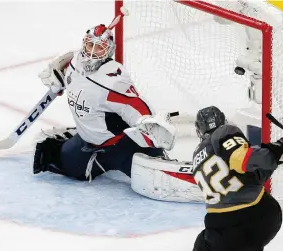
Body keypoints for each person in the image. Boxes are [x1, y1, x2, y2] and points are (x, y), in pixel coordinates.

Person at [32, 23, 177, 182]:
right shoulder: (74, 63)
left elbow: (134, 104)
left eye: (99, 48)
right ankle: (77, 134)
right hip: (87, 143)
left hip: (120, 146)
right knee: (54, 158)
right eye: (89, 45)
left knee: (155, 179)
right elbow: (66, 66)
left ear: (108, 51)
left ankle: (154, 158)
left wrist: (145, 121)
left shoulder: (112, 80)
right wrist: (58, 74)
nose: (92, 52)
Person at [191, 106, 283, 251]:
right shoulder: (224, 131)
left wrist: (274, 155)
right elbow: (243, 161)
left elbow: (243, 166)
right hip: (252, 216)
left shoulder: (197, 155)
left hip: (241, 219)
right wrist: (280, 149)